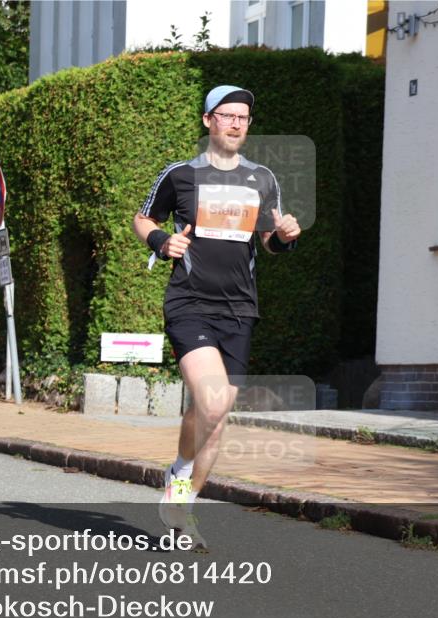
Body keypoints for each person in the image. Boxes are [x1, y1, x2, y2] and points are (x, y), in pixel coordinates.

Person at [132, 85, 301, 549]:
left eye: (243, 117)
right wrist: (162, 242)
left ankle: (182, 507)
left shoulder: (262, 178)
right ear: (208, 120)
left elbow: (267, 241)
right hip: (189, 302)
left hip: (240, 310)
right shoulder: (180, 175)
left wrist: (285, 236)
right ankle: (180, 475)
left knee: (217, 415)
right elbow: (143, 219)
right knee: (210, 403)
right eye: (227, 115)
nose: (236, 123)